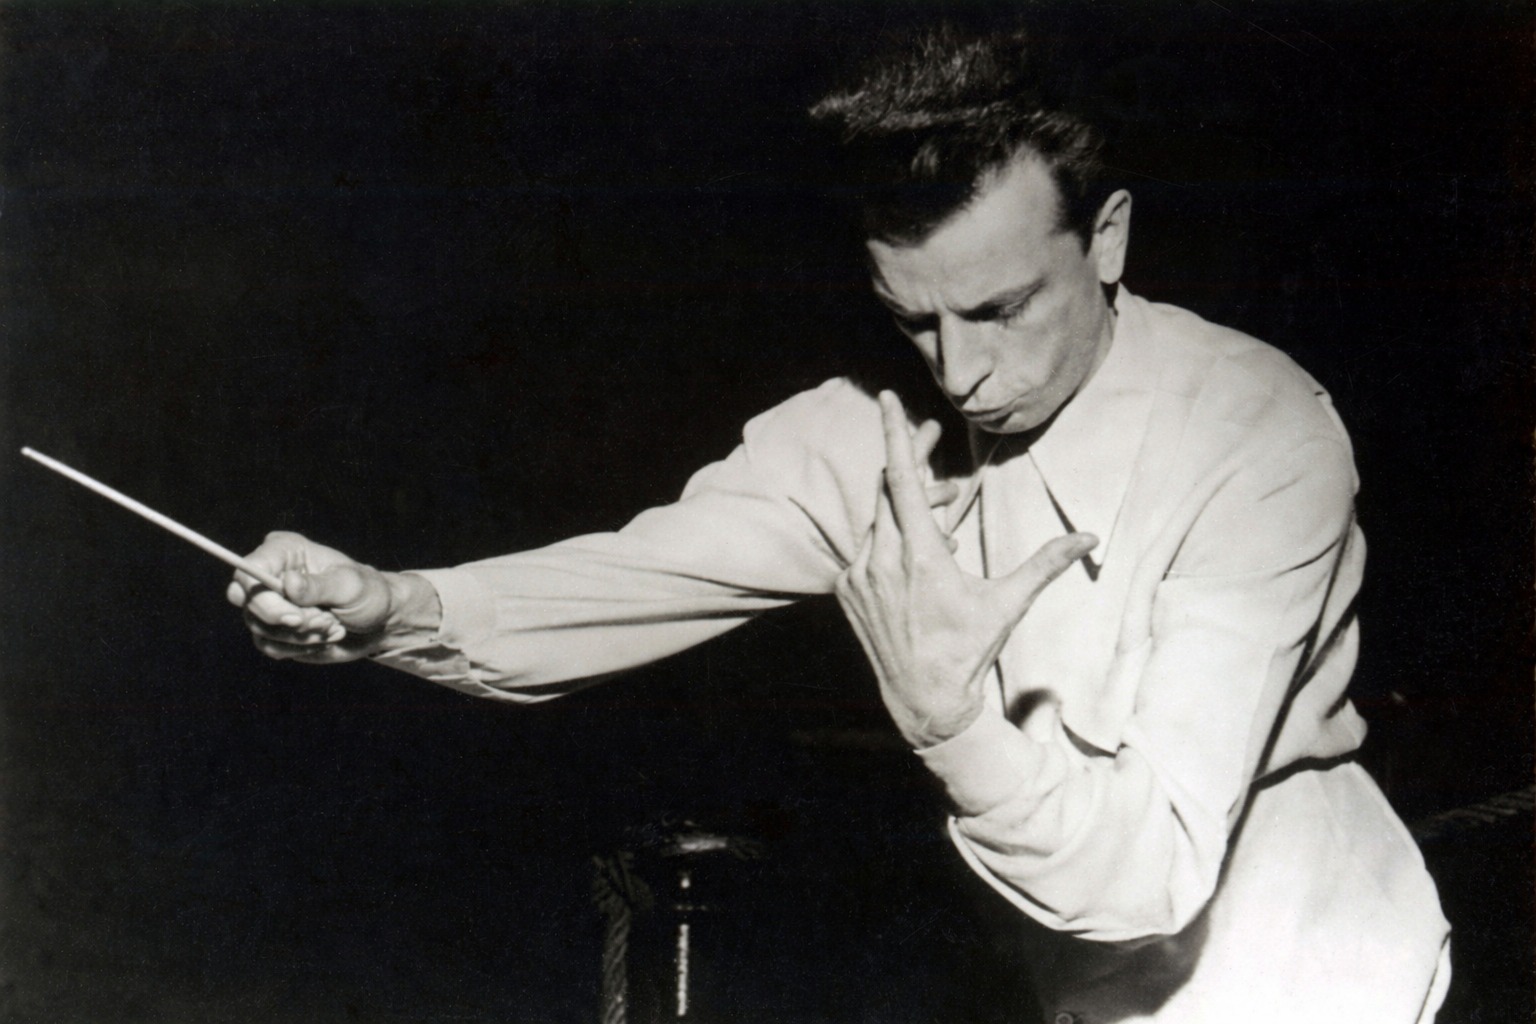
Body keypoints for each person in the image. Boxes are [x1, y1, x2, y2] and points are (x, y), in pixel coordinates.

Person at [229, 26, 1450, 1024]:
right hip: (1060, 981)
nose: (961, 372)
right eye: (914, 321)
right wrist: (394, 606)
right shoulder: (873, 430)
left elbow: (1148, 876)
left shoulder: (1258, 433)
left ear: (1110, 237)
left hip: (1305, 976)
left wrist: (951, 723)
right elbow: (631, 577)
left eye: (1001, 309)